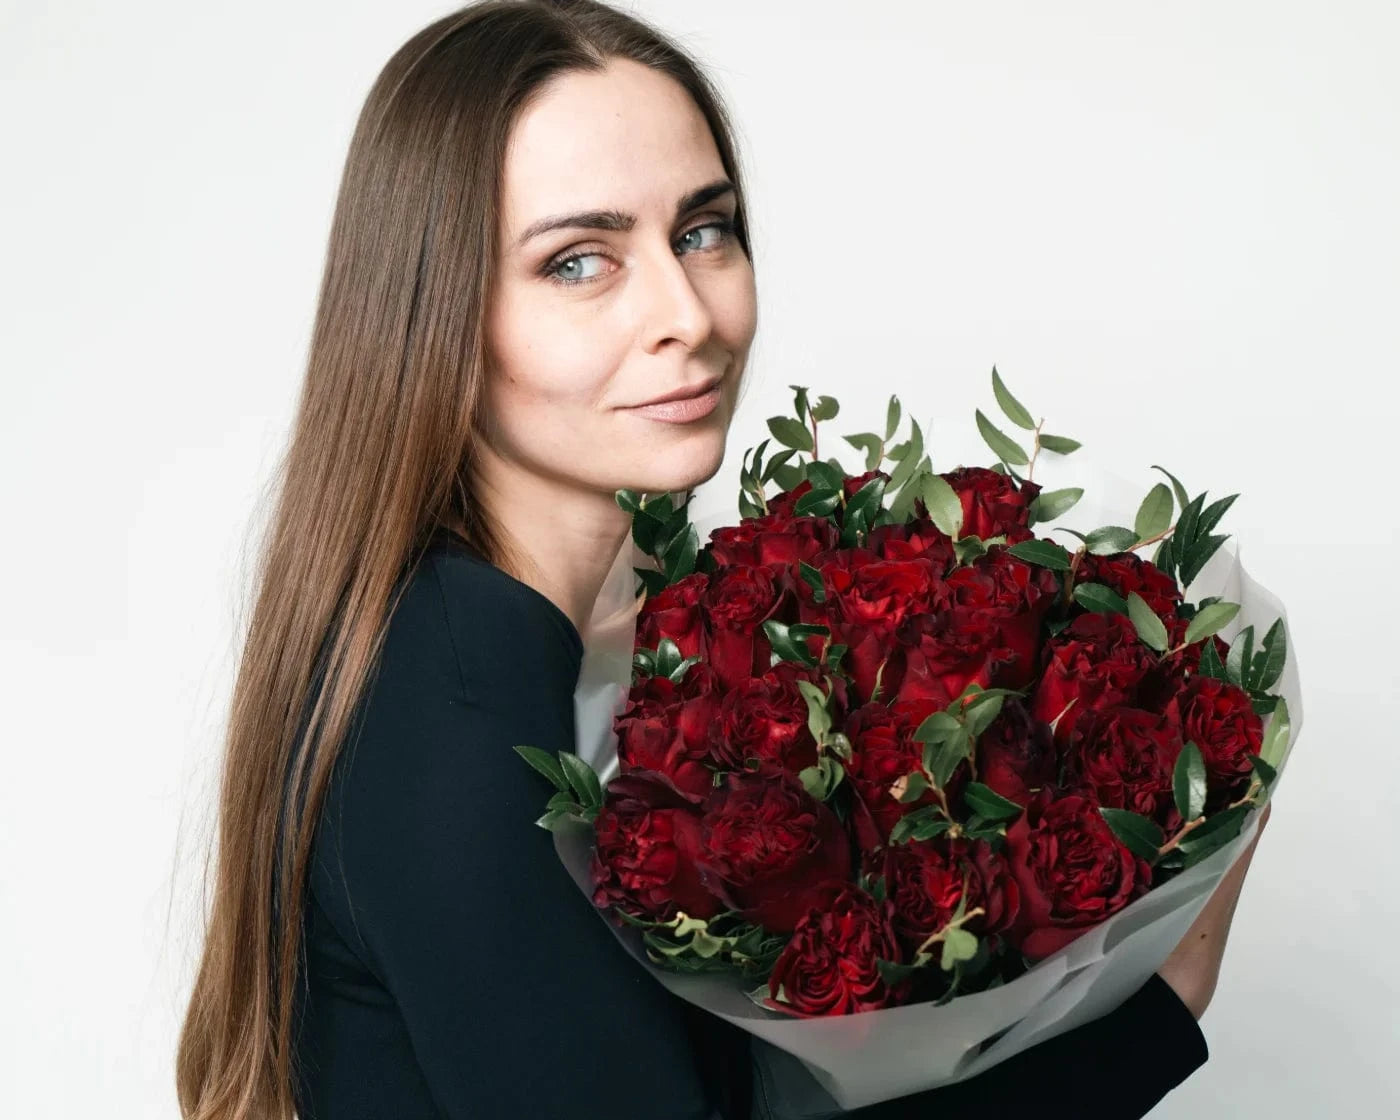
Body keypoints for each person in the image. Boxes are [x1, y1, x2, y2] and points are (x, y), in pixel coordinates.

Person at [174, 2, 1273, 1117]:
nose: (686, 312)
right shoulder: (456, 705)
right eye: (578, 261)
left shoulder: (577, 643)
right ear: (433, 316)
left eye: (702, 230)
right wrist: (1155, 1013)